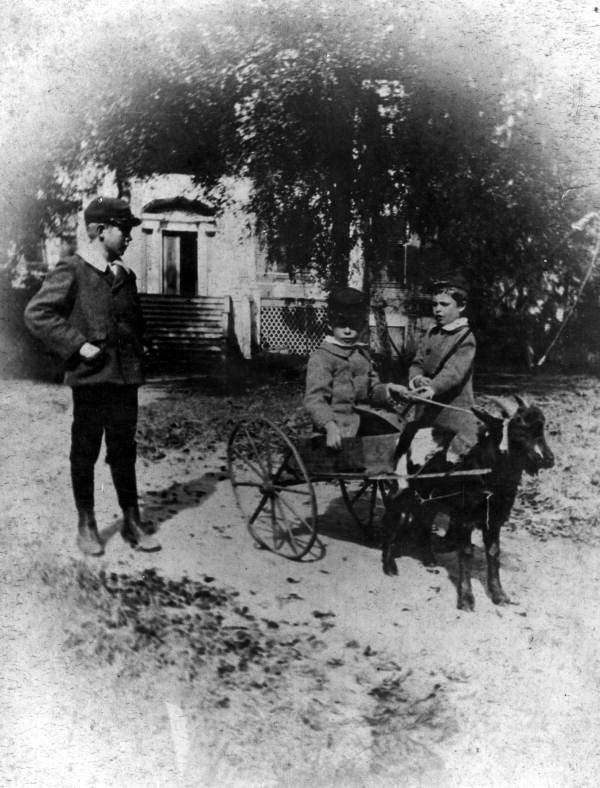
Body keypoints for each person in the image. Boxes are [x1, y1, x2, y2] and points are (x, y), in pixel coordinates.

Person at [24, 196, 160, 556]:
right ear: (101, 231)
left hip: (125, 378)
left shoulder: (124, 276)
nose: (130, 237)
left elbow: (132, 323)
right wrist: (77, 345)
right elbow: (37, 313)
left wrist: (141, 345)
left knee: (124, 450)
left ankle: (132, 521)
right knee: (85, 450)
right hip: (91, 379)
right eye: (125, 230)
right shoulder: (73, 269)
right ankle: (86, 523)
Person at [393, 274, 479, 478]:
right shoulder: (431, 333)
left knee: (448, 473)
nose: (437, 309)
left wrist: (431, 388)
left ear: (461, 306)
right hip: (426, 415)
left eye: (444, 304)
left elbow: (453, 373)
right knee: (418, 466)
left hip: (453, 419)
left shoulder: (465, 338)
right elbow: (418, 362)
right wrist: (417, 380)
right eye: (435, 304)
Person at [304, 287, 407, 448]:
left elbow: (372, 389)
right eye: (341, 325)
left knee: (400, 436)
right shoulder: (322, 357)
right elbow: (315, 400)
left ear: (361, 325)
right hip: (339, 424)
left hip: (364, 418)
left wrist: (389, 389)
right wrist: (329, 426)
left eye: (353, 325)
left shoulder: (362, 354)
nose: (347, 331)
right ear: (330, 325)